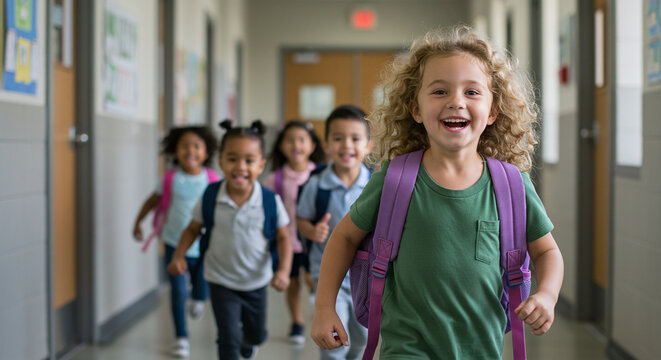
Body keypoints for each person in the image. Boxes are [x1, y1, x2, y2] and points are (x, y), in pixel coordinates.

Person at [311, 26, 564, 359]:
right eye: (440, 91)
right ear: (415, 109)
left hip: (481, 350)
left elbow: (547, 252)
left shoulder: (512, 185)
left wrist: (546, 295)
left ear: (492, 111)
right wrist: (324, 307)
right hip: (406, 348)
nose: (456, 102)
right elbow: (343, 238)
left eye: (472, 92)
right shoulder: (395, 179)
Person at [168, 120, 292, 360]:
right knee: (227, 337)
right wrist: (178, 255)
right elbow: (193, 229)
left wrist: (284, 271)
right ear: (221, 161)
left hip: (256, 281)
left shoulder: (269, 201)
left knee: (257, 335)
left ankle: (249, 340)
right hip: (220, 279)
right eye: (232, 159)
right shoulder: (211, 195)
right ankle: (236, 345)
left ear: (261, 165)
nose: (240, 167)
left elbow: (284, 237)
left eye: (249, 160)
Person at [132, 126, 219, 358]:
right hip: (174, 243)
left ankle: (199, 298)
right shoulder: (170, 179)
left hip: (203, 246)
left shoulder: (212, 179)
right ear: (175, 151)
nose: (190, 150)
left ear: (206, 151)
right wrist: (138, 222)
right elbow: (151, 201)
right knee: (178, 292)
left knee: (203, 286)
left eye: (196, 146)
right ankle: (181, 336)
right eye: (184, 146)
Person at [297, 105, 372, 360]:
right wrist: (312, 230)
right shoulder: (316, 184)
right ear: (327, 145)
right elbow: (301, 220)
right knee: (334, 341)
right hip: (328, 275)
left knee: (360, 338)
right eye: (338, 138)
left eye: (355, 138)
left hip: (364, 276)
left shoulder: (374, 185)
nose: (346, 145)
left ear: (368, 146)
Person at [262, 120, 326, 345]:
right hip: (286, 242)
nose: (295, 144)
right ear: (280, 146)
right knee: (292, 283)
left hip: (311, 240)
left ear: (312, 146)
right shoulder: (275, 179)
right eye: (289, 140)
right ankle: (297, 322)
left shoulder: (319, 174)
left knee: (312, 277)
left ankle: (318, 305)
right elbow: (266, 209)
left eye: (301, 139)